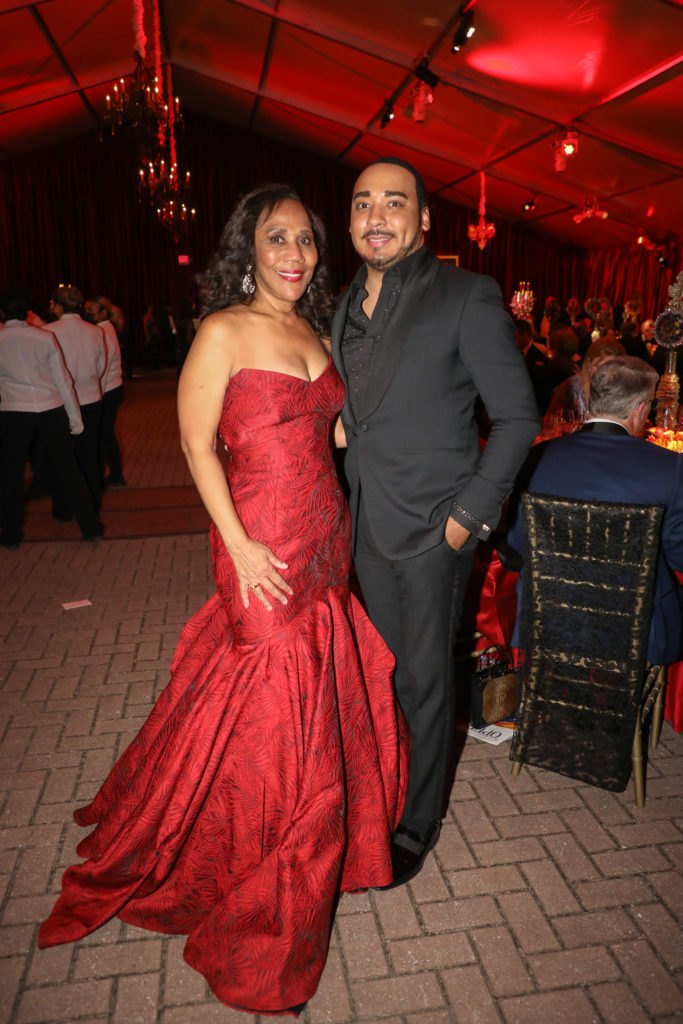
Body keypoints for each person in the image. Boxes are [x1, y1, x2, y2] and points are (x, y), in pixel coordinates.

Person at [39, 185, 408, 1016]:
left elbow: (333, 433)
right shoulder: (222, 330)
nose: (295, 254)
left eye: (307, 241)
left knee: (301, 701)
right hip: (259, 541)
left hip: (323, 540)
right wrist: (238, 543)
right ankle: (266, 868)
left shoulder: (313, 329)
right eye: (277, 239)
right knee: (275, 710)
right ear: (247, 249)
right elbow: (194, 445)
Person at [330, 157, 539, 888]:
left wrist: (465, 520)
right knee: (380, 674)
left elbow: (516, 418)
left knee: (424, 680)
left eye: (393, 203)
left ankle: (416, 820)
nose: (375, 217)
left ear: (422, 219)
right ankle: (382, 784)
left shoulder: (465, 295)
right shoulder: (341, 306)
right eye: (361, 204)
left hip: (432, 529)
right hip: (364, 523)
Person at [508, 356, 683, 666]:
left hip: (548, 625)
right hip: (636, 639)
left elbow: (516, 545)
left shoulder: (537, 457)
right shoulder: (670, 468)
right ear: (639, 410)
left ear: (589, 399)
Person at [0, 287, 102, 547]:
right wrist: (75, 419)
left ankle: (11, 534)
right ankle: (90, 527)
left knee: (11, 473)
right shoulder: (44, 338)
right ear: (27, 312)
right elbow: (63, 380)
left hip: (14, 411)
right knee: (68, 468)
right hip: (50, 408)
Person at [47, 285, 106, 510]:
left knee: (62, 455)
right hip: (91, 397)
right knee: (89, 451)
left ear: (59, 306)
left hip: (61, 400)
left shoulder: (49, 331)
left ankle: (63, 506)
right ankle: (92, 502)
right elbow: (101, 366)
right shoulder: (95, 331)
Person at [85, 296, 125, 487]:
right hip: (110, 387)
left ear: (102, 313)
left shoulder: (103, 331)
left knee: (105, 434)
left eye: (91, 310)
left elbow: (104, 365)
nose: (87, 314)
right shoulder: (103, 329)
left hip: (108, 389)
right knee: (106, 434)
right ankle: (114, 474)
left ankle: (113, 475)